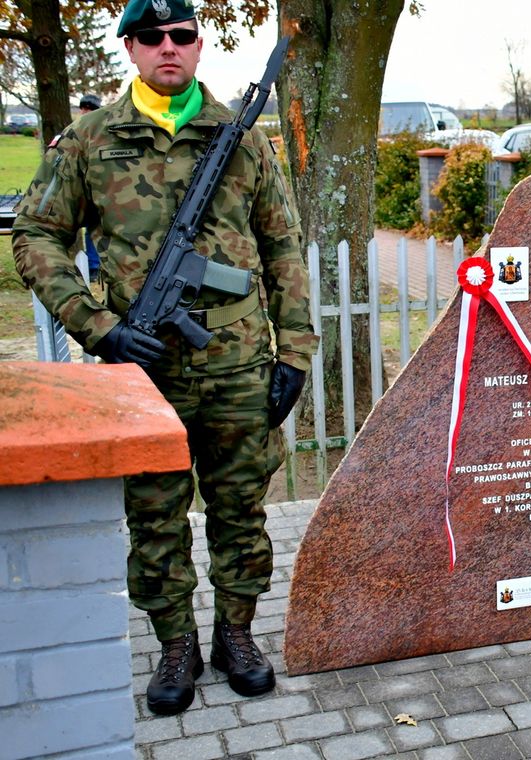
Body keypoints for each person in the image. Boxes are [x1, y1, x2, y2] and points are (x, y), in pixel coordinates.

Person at [12, 0, 318, 716]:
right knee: (155, 518)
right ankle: (175, 644)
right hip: (140, 374)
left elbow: (283, 249)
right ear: (130, 48)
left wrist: (294, 352)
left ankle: (236, 636)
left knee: (241, 511)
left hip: (238, 363)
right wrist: (99, 327)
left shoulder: (241, 140)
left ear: (199, 45)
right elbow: (34, 235)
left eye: (181, 35)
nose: (167, 47)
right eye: (150, 37)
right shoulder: (89, 139)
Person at [78, 94, 103, 282]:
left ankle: (94, 267)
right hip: (80, 191)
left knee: (95, 228)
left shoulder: (102, 133)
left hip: (98, 190)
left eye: (89, 109)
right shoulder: (76, 131)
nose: (85, 112)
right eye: (83, 108)